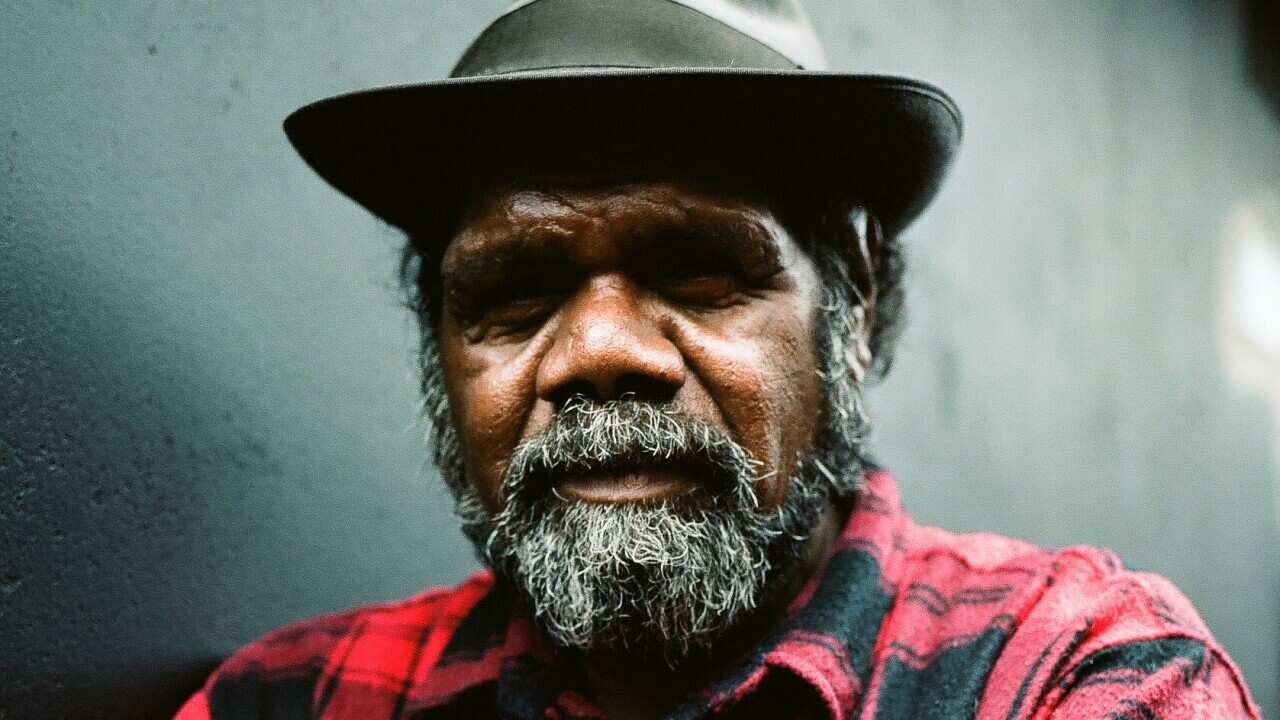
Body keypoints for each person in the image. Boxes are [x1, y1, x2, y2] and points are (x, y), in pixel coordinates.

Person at [177, 1, 1260, 718]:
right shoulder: (299, 698)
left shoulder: (1066, 673)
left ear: (854, 304)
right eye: (513, 295)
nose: (599, 354)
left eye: (698, 272)